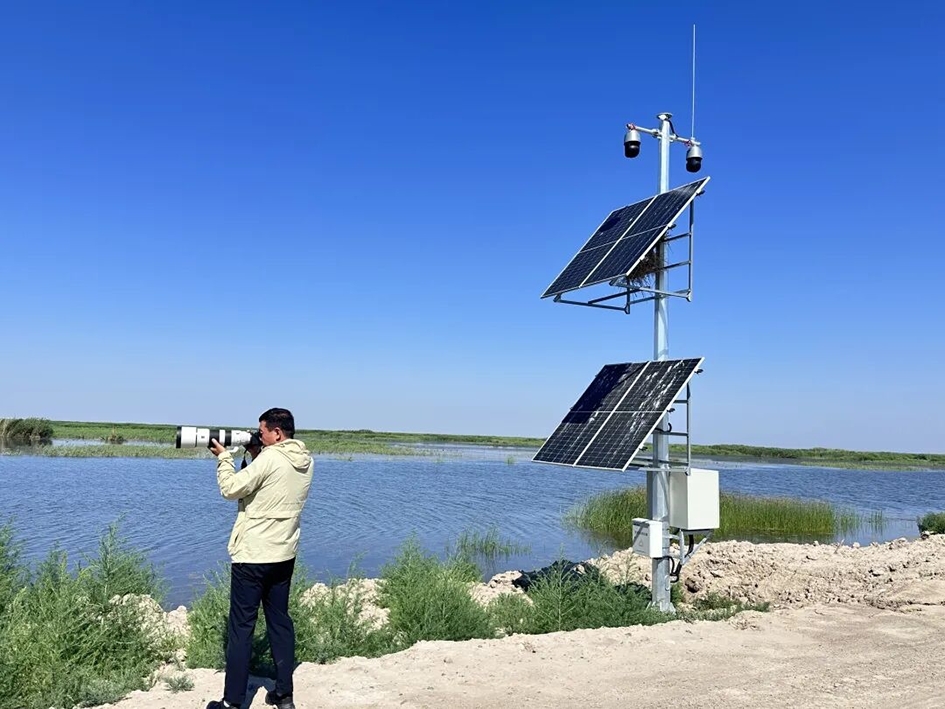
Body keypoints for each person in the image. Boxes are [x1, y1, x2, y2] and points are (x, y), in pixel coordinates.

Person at [205, 408, 314, 709]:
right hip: (284, 554)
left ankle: (232, 703)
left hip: (253, 556)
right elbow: (271, 486)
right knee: (279, 622)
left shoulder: (270, 457)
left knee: (241, 629)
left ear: (277, 433)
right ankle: (283, 695)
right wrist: (256, 454)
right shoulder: (306, 460)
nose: (258, 435)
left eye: (262, 431)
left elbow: (231, 489)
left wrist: (224, 458)